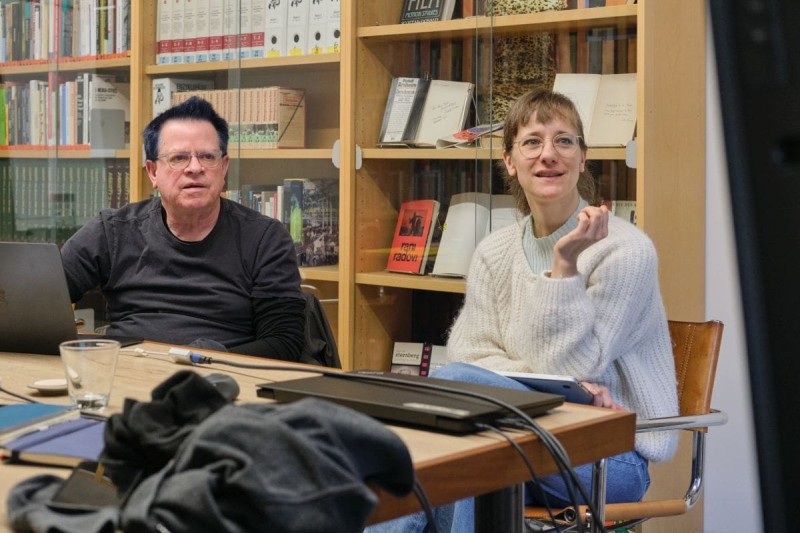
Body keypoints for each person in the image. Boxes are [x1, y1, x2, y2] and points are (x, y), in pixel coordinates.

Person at [368, 88, 679, 532]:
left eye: (564, 141)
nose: (548, 154)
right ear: (510, 161)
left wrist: (564, 266)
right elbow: (468, 353)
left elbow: (567, 363)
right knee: (466, 454)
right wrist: (551, 384)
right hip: (507, 441)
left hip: (607, 457)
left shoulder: (625, 253)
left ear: (583, 158)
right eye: (532, 141)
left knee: (455, 407)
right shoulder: (495, 252)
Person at [61, 96, 306, 360]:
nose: (195, 168)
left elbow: (284, 343)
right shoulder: (112, 231)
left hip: (220, 381)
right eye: (179, 158)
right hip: (126, 370)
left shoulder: (265, 239)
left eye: (207, 157)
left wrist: (204, 359)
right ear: (153, 171)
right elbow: (37, 300)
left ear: (223, 168)